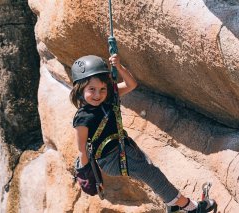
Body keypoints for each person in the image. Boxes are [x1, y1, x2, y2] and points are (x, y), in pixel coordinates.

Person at [70, 54, 216, 212]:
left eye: (102, 89)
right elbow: (82, 150)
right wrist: (90, 176)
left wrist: (119, 67)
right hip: (112, 158)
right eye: (92, 89)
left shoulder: (108, 98)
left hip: (124, 148)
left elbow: (131, 84)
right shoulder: (83, 118)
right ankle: (191, 207)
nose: (98, 94)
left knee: (151, 170)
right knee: (152, 175)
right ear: (80, 88)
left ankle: (172, 204)